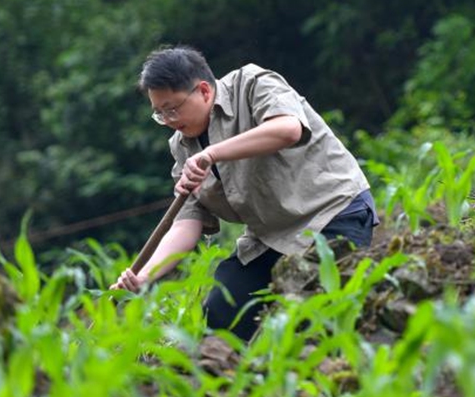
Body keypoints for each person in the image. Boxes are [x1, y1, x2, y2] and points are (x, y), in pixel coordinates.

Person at [112, 46, 376, 340]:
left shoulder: (252, 84)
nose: (169, 120)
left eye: (172, 109)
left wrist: (212, 154)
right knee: (221, 314)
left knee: (312, 317)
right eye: (160, 114)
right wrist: (146, 275)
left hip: (333, 213)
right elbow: (187, 223)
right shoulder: (182, 147)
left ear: (203, 91)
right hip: (271, 237)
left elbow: (287, 128)